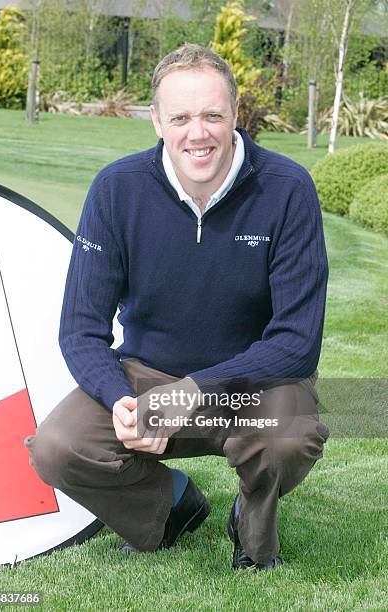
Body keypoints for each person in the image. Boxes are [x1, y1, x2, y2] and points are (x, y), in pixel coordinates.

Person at [25, 43, 329, 571]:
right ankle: (170, 508)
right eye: (180, 117)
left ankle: (251, 523)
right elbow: (80, 328)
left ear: (235, 113)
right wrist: (122, 397)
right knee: (56, 446)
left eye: (213, 114)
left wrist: (190, 393)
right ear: (156, 122)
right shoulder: (117, 189)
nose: (198, 132)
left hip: (253, 385)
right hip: (148, 376)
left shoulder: (287, 189)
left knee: (290, 436)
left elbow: (297, 343)